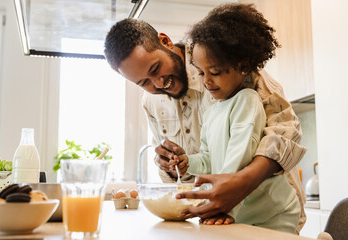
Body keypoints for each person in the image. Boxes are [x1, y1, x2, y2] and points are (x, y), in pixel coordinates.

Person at [104, 3, 307, 233]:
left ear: (165, 41)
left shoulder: (224, 61)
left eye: (156, 68)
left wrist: (238, 185)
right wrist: (175, 166)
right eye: (144, 83)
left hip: (269, 213)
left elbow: (286, 131)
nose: (159, 83)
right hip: (222, 218)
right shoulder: (152, 103)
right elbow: (202, 164)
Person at [163, 3, 301, 233]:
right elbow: (209, 158)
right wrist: (189, 162)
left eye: (215, 72)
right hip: (243, 213)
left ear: (243, 66)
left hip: (272, 214)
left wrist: (219, 206)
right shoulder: (213, 111)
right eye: (200, 72)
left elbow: (240, 155)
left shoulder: (247, 100)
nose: (206, 81)